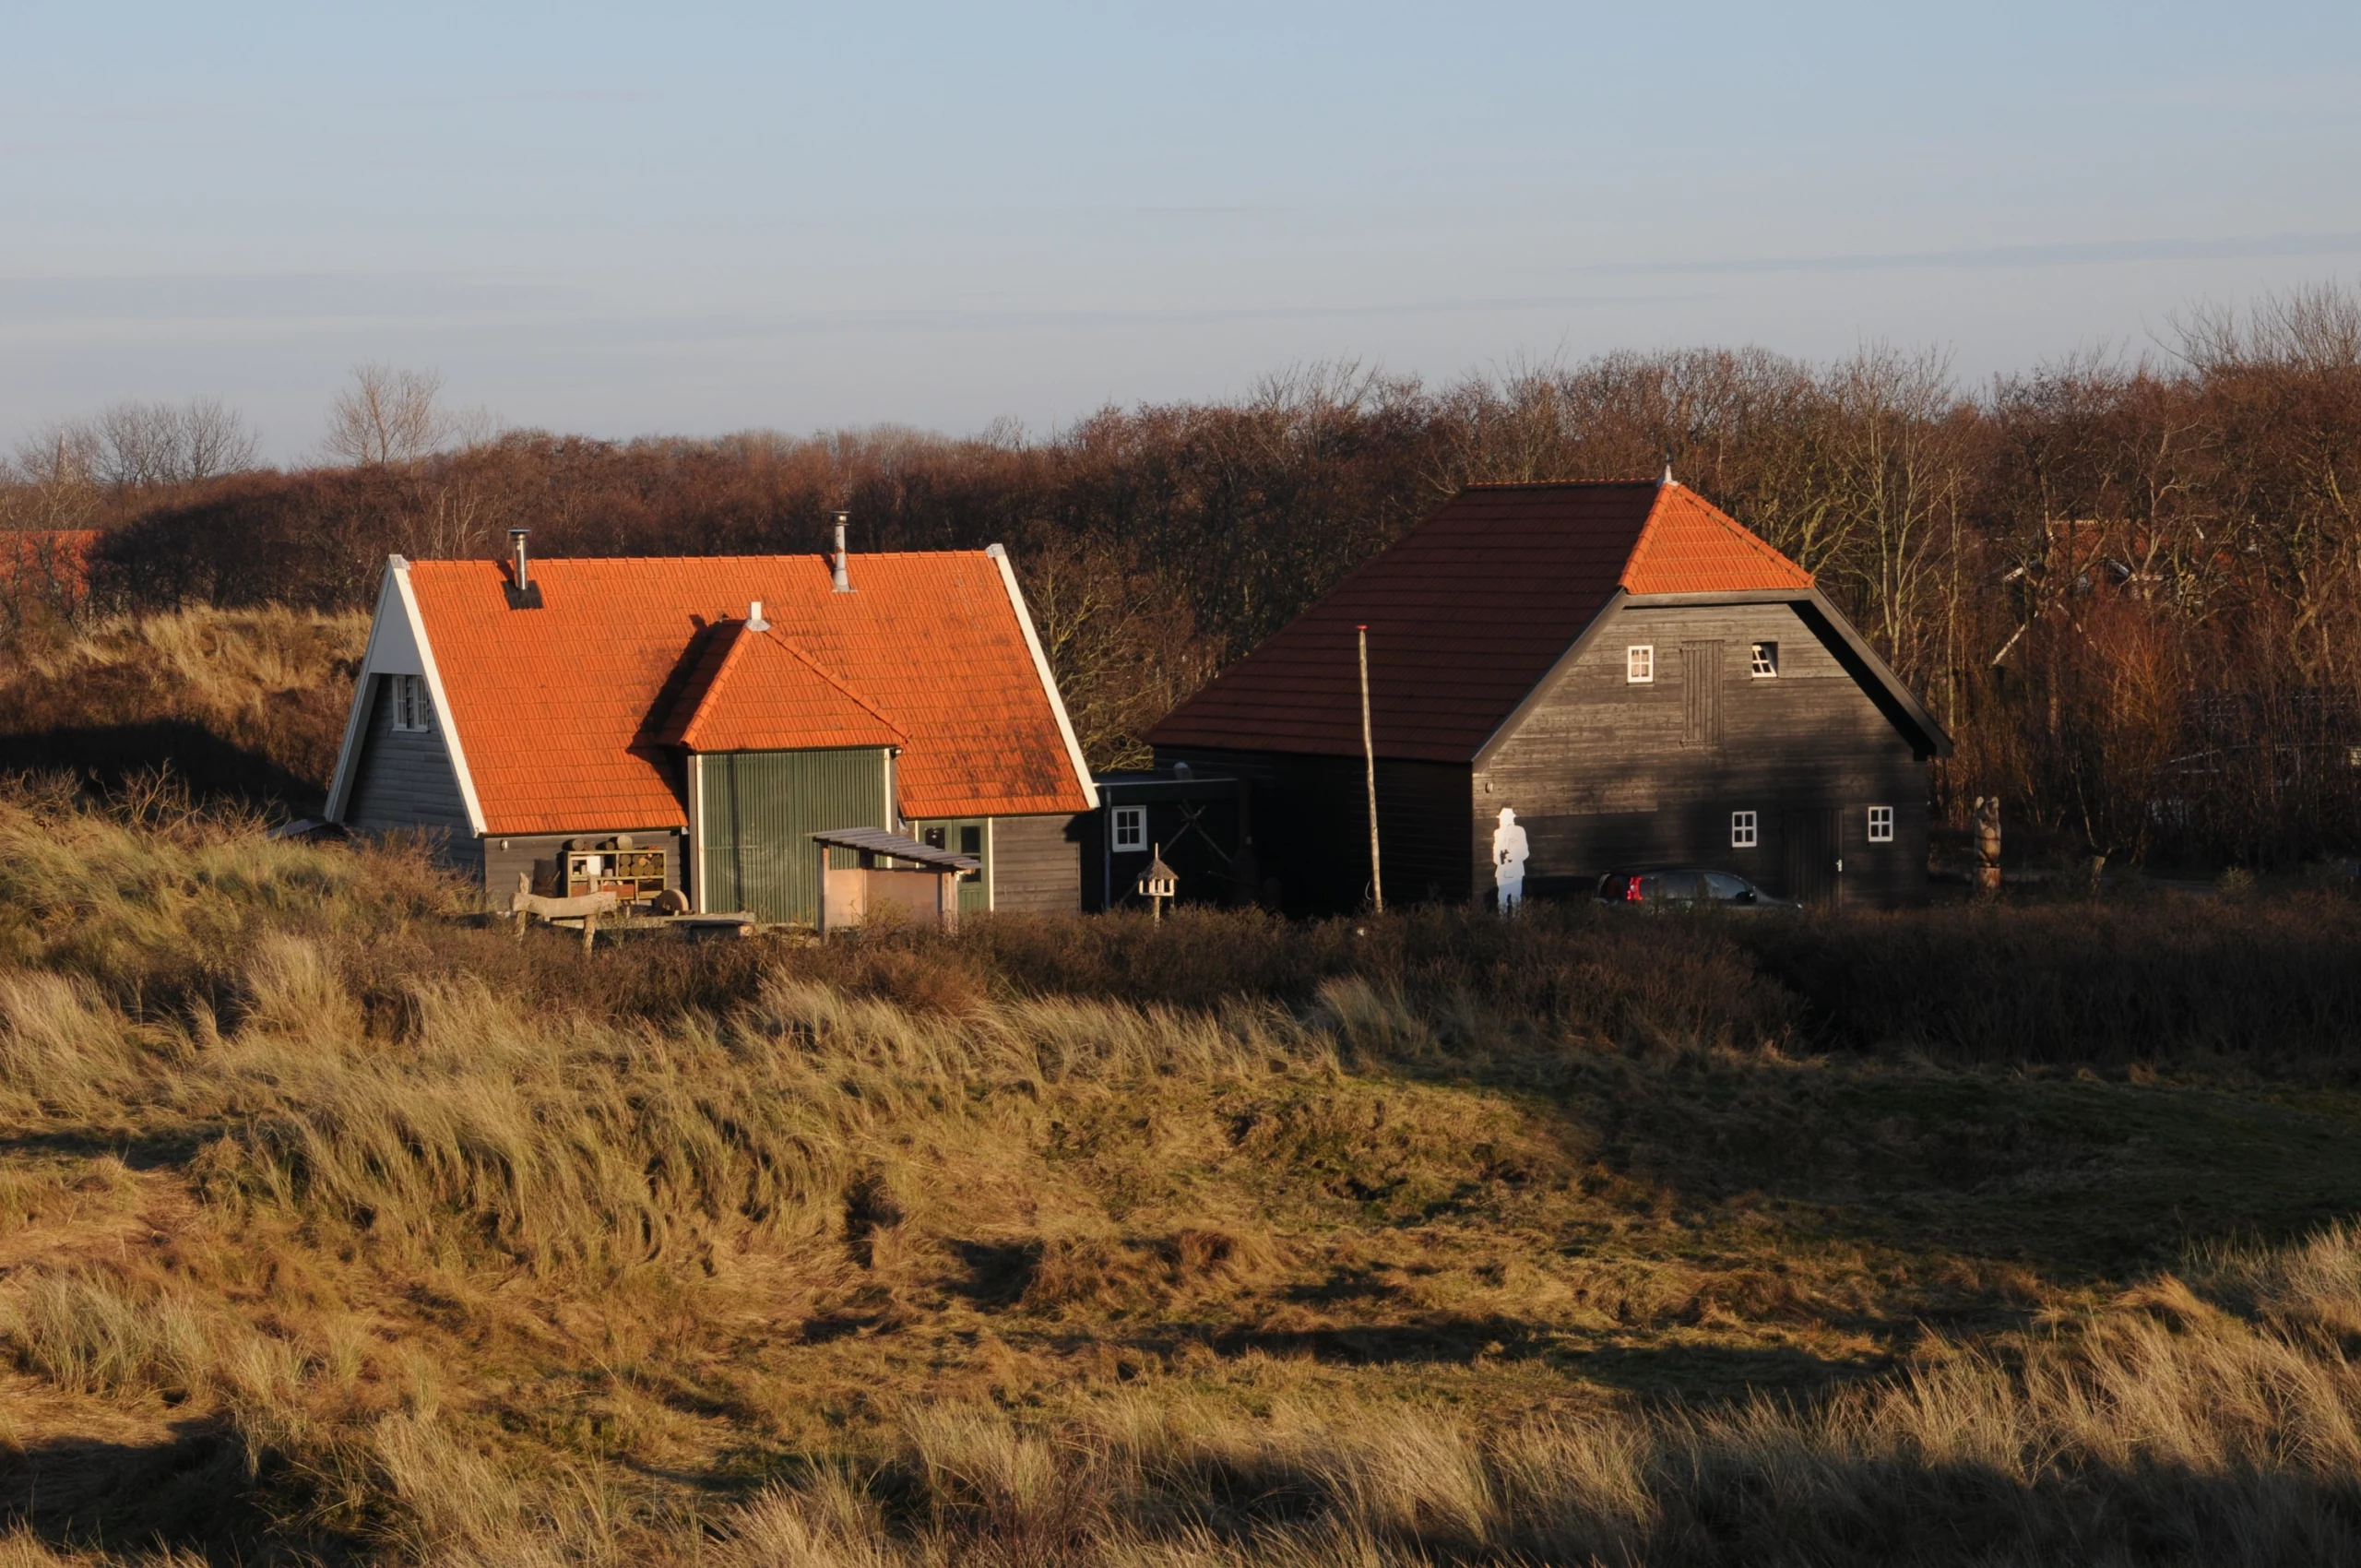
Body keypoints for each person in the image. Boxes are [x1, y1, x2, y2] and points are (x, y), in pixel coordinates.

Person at [1491, 806, 1530, 913]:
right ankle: (1502, 925)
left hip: (1516, 872)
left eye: (1502, 819)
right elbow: (1495, 853)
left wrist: (1513, 856)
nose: (1500, 821)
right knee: (1502, 900)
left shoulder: (1519, 831)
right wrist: (1500, 859)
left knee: (1516, 900)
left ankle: (1516, 924)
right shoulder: (1498, 833)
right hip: (1502, 873)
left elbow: (1525, 853)